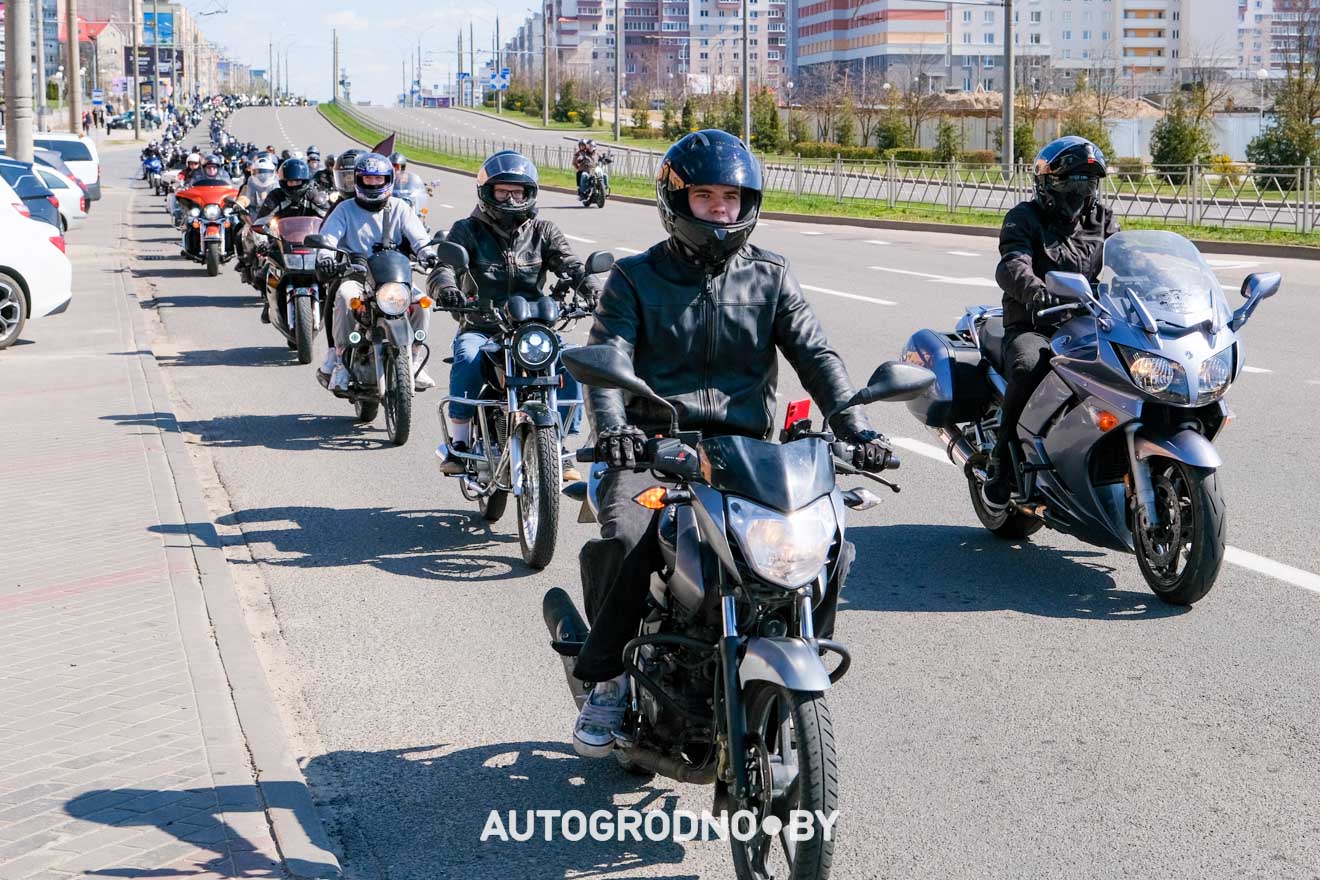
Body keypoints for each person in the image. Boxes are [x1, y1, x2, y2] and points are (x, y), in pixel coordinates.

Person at [567, 130, 896, 757]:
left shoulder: (771, 276)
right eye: (705, 197)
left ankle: (794, 652)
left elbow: (816, 353)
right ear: (675, 199)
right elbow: (607, 357)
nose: (721, 210)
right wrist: (615, 433)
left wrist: (855, 425)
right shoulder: (635, 279)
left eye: (732, 197)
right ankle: (607, 679)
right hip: (654, 446)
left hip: (744, 454)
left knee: (824, 540)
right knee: (629, 537)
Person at [427, 151, 599, 482]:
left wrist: (592, 288)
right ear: (487, 192)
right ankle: (459, 444)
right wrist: (447, 290)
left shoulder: (544, 231)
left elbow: (571, 264)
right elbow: (443, 268)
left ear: (528, 193)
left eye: (517, 191)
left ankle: (559, 448)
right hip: (483, 324)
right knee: (467, 356)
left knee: (573, 362)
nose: (510, 198)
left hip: (533, 328)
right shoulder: (467, 230)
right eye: (502, 191)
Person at [982, 135, 1118, 509]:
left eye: (1087, 183)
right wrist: (1035, 289)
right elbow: (1012, 263)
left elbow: (1126, 260)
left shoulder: (1101, 218)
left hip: (1087, 325)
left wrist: (1152, 284)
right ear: (1047, 185)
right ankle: (1002, 464)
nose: (1080, 192)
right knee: (1030, 367)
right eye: (1071, 182)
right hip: (1034, 323)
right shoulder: (1024, 217)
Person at [315, 153, 437, 393]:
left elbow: (419, 237)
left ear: (388, 180)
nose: (373, 184)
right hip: (357, 276)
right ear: (358, 180)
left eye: (378, 179)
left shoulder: (400, 207)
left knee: (423, 303)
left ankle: (413, 360)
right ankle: (340, 361)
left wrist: (428, 254)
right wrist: (326, 258)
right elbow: (328, 239)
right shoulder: (344, 209)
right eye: (367, 179)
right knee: (344, 297)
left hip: (393, 278)